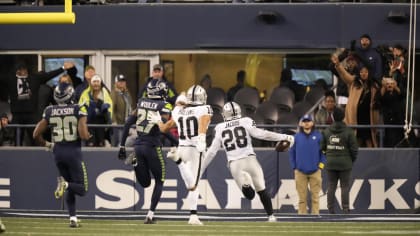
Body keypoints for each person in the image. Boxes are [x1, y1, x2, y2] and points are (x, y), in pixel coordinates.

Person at [202, 101, 294, 222]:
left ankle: (246, 183)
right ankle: (271, 216)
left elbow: (212, 152)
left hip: (235, 164)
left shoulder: (220, 128)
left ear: (225, 114)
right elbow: (262, 134)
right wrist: (283, 137)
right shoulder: (245, 121)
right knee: (262, 190)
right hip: (250, 159)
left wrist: (201, 168)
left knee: (249, 195)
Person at [33, 83, 90, 227]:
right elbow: (83, 135)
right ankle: (63, 184)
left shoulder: (49, 110)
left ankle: (73, 219)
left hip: (58, 153)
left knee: (70, 186)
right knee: (82, 189)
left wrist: (47, 144)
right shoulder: (78, 108)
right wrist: (88, 134)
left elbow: (35, 134)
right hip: (73, 152)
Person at [118, 79, 174, 224]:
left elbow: (128, 123)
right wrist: (177, 142)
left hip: (138, 146)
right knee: (160, 181)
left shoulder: (142, 102)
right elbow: (164, 129)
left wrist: (122, 146)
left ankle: (135, 162)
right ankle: (150, 214)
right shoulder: (164, 105)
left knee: (146, 183)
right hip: (152, 147)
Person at [161, 85, 212, 225]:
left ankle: (193, 215)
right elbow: (203, 120)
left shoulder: (178, 111)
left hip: (182, 147)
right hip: (196, 148)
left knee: (191, 184)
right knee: (193, 184)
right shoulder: (205, 108)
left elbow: (165, 128)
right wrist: (201, 137)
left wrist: (156, 121)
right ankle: (177, 160)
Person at [6, 62, 75, 146]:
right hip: (16, 115)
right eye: (21, 71)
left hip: (31, 115)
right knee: (16, 141)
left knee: (36, 139)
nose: (24, 72)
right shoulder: (11, 80)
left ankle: (37, 157)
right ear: (17, 71)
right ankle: (15, 157)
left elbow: (49, 75)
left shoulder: (34, 78)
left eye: (25, 70)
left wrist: (63, 68)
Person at [331, 54, 380, 147]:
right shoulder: (354, 82)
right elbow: (344, 74)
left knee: (370, 145)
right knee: (355, 145)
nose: (363, 74)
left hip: (369, 121)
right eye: (361, 72)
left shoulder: (374, 85)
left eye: (366, 72)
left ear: (369, 73)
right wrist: (338, 64)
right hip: (356, 120)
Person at [320, 108, 358, 214]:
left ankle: (330, 209)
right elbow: (354, 149)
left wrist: (328, 156)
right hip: (345, 163)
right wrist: (350, 160)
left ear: (332, 117)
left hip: (331, 163)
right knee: (344, 186)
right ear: (343, 117)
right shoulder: (349, 132)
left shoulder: (326, 131)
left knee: (331, 185)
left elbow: (321, 147)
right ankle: (345, 208)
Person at [289, 114, 326, 215]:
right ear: (301, 123)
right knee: (302, 199)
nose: (306, 123)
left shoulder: (319, 136)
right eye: (304, 121)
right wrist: (294, 167)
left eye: (308, 121)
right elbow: (291, 153)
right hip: (300, 172)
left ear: (312, 123)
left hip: (315, 171)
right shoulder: (296, 137)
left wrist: (320, 167)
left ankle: (315, 217)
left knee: (315, 197)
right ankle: (302, 218)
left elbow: (324, 153)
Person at [78, 74, 113, 147]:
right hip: (89, 123)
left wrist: (106, 111)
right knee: (90, 144)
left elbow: (110, 107)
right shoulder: (85, 93)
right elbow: (80, 107)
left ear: (100, 83)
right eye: (94, 82)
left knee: (101, 144)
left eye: (97, 82)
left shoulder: (105, 93)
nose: (96, 84)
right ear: (91, 83)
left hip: (101, 124)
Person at [378, 77, 405, 147]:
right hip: (388, 120)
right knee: (390, 139)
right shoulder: (384, 94)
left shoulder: (397, 93)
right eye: (388, 84)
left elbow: (402, 95)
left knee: (399, 139)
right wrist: (384, 87)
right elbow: (380, 98)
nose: (390, 85)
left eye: (391, 84)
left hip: (398, 120)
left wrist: (395, 87)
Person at [111, 74, 134, 146]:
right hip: (119, 125)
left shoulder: (127, 93)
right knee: (119, 144)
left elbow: (130, 106)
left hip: (128, 124)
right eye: (120, 81)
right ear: (116, 83)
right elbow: (111, 109)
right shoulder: (114, 93)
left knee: (129, 142)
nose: (122, 83)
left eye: (123, 81)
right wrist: (114, 122)